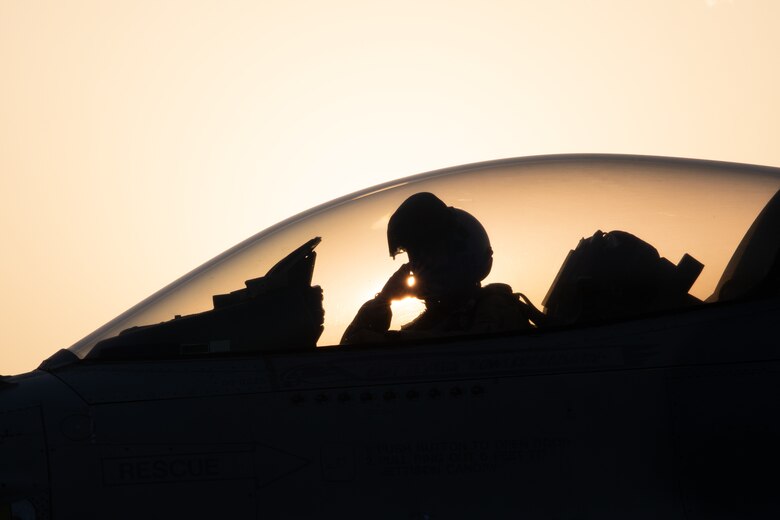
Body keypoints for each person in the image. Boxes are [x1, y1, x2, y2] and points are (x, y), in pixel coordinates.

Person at [341, 192, 543, 344]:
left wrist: (383, 304)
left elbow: (359, 351)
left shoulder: (495, 311)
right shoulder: (445, 316)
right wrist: (383, 301)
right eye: (414, 255)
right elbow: (349, 354)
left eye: (425, 253)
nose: (415, 265)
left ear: (456, 252)